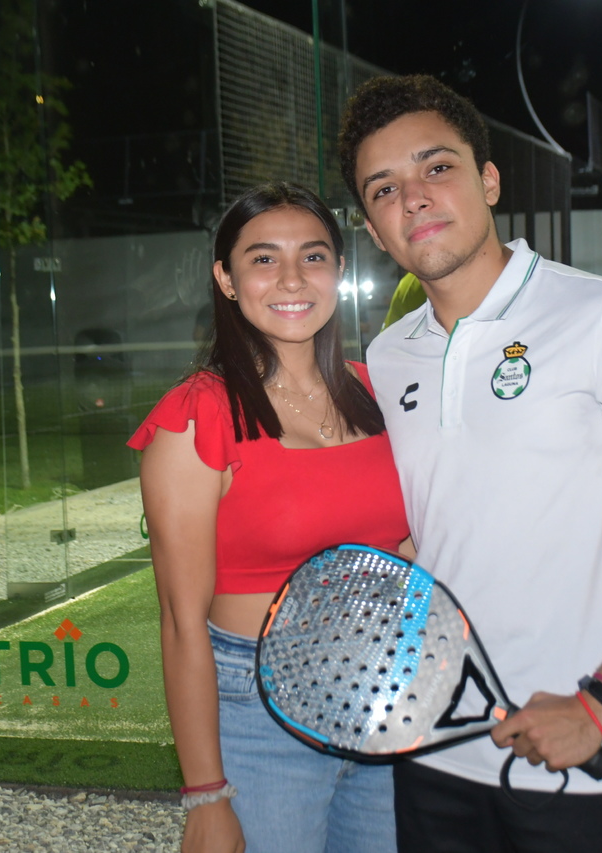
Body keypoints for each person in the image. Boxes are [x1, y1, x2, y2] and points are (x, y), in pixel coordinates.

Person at [339, 74, 602, 853]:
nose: (413, 198)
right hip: (434, 758)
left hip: (597, 764)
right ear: (376, 232)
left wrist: (599, 704)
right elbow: (430, 531)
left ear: (489, 180)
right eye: (384, 189)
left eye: (436, 167)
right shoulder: (388, 356)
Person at [128, 182, 410, 853]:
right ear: (226, 279)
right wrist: (205, 792)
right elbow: (181, 621)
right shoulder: (197, 416)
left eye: (313, 256)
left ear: (339, 271)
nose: (291, 278)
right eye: (263, 258)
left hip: (383, 697)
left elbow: (408, 551)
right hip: (259, 713)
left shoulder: (379, 391)